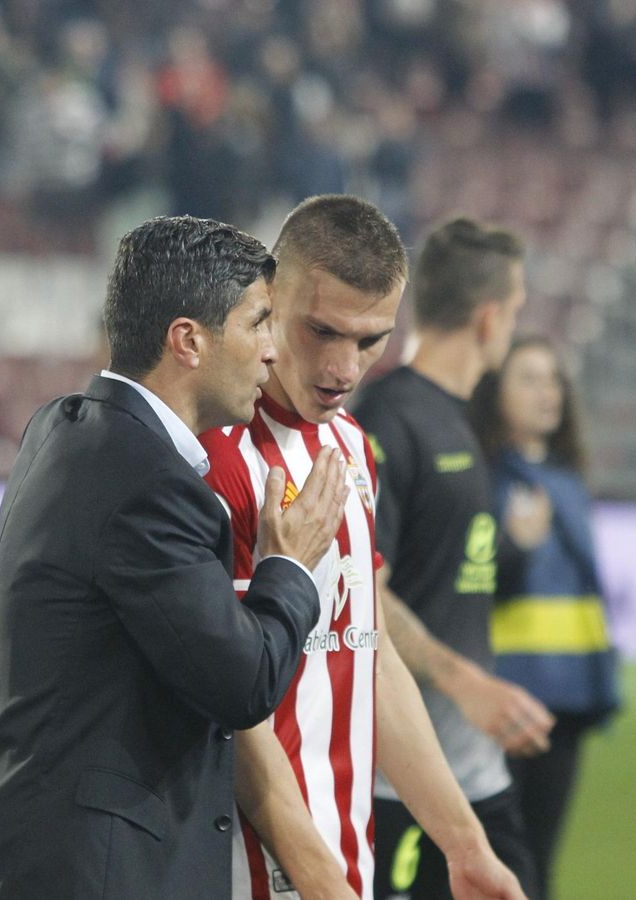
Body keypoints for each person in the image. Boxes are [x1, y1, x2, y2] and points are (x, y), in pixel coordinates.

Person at [0, 215, 349, 900]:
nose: (272, 353)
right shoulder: (148, 483)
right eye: (257, 323)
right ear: (188, 340)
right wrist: (290, 566)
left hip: (35, 853)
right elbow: (240, 683)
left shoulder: (65, 426)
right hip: (94, 874)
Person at [203, 196, 527, 900]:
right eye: (322, 331)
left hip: (345, 863)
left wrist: (464, 845)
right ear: (269, 295)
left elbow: (369, 655)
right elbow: (226, 703)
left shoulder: (352, 446)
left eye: (372, 339)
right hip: (252, 874)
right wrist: (312, 875)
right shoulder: (216, 454)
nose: (345, 367)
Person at [351, 219, 548, 900]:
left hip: (476, 776)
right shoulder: (387, 420)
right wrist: (466, 683)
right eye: (516, 310)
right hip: (399, 784)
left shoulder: (462, 421)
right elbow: (362, 595)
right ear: (490, 318)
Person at [466, 337, 621, 900]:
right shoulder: (482, 475)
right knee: (507, 857)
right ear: (496, 392)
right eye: (529, 378)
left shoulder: (567, 480)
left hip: (570, 696)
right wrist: (514, 546)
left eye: (553, 379)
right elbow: (466, 586)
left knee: (540, 858)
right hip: (507, 690)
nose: (546, 392)